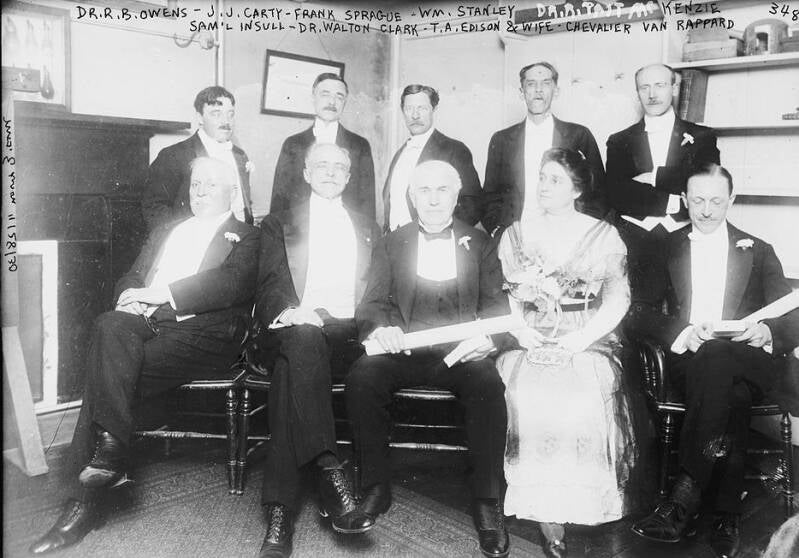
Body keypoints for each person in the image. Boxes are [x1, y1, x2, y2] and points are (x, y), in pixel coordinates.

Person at [29, 157, 260, 554]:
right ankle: (111, 452)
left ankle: (85, 502)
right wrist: (128, 296)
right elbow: (133, 274)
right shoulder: (168, 230)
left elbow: (230, 284)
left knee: (107, 372)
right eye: (195, 183)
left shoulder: (248, 236)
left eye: (210, 184)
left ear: (232, 191)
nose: (200, 191)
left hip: (201, 332)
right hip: (145, 322)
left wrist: (161, 293)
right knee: (109, 324)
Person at [628, 163, 799, 558]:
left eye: (716, 202)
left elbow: (792, 316)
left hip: (750, 360)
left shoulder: (758, 250)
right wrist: (684, 332)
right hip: (691, 359)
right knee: (731, 393)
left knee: (721, 356)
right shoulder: (663, 247)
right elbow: (639, 312)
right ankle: (727, 514)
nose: (706, 211)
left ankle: (684, 496)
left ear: (731, 200)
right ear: (684, 199)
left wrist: (767, 331)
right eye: (698, 201)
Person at [346, 160, 512, 558]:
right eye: (424, 191)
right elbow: (371, 304)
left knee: (489, 385)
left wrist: (488, 339)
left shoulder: (481, 243)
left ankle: (487, 502)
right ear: (412, 197)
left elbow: (497, 308)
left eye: (442, 190)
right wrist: (381, 329)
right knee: (361, 378)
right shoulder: (392, 242)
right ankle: (375, 488)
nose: (434, 200)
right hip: (403, 349)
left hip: (460, 353)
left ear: (456, 197)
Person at [494, 148, 635, 558]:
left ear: (577, 189)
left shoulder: (603, 235)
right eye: (541, 177)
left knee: (582, 391)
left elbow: (618, 299)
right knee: (525, 390)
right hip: (530, 336)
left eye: (555, 179)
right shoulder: (516, 233)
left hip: (586, 336)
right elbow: (505, 299)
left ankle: (578, 503)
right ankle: (543, 512)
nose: (544, 186)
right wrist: (521, 331)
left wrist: (582, 338)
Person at [253, 142, 381, 557]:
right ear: (306, 173)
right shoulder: (278, 223)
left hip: (348, 334)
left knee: (290, 374)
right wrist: (291, 311)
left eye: (339, 167)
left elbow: (378, 293)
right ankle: (328, 471)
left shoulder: (369, 227)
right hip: (295, 324)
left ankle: (280, 516)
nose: (330, 172)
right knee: (303, 340)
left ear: (349, 177)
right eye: (321, 165)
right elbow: (269, 284)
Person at [605, 63, 719, 299]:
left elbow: (708, 182)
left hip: (686, 235)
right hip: (637, 241)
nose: (652, 94)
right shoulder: (619, 140)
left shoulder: (702, 136)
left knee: (688, 305)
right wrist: (674, 200)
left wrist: (654, 176)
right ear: (637, 93)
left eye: (660, 85)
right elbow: (617, 194)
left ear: (674, 89)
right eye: (644, 87)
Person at [482, 61, 605, 237]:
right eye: (531, 84)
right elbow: (490, 196)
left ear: (556, 91)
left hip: (566, 235)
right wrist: (498, 231)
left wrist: (580, 232)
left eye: (546, 83)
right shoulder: (501, 139)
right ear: (521, 92)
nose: (538, 90)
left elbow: (598, 193)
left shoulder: (579, 135)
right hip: (516, 235)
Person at [141, 86, 254, 229]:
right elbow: (154, 209)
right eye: (216, 114)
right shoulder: (173, 155)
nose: (226, 121)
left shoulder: (240, 156)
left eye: (230, 114)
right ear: (200, 118)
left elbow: (242, 206)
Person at [271, 73, 376, 219]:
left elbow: (367, 205)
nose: (332, 102)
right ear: (313, 98)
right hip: (301, 228)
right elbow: (279, 202)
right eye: (325, 94)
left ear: (344, 103)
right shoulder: (293, 144)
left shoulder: (360, 146)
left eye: (339, 96)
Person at [383, 84, 482, 230]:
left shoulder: (454, 150)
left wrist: (441, 235)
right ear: (403, 111)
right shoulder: (400, 154)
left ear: (434, 110)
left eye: (422, 108)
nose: (415, 115)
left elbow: (473, 205)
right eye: (409, 108)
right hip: (393, 239)